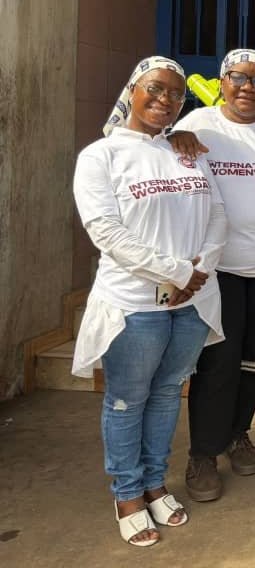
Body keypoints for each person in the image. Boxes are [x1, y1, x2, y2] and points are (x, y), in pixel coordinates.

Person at [73, 57, 226, 547]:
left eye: (176, 93)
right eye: (156, 88)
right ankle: (127, 493)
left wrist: (201, 269)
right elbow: (106, 231)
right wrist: (178, 272)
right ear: (132, 91)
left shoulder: (188, 151)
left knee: (167, 394)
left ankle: (155, 483)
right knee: (126, 400)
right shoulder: (101, 156)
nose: (165, 99)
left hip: (191, 303)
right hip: (134, 304)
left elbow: (218, 213)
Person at [174, 49, 255, 503]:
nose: (248, 87)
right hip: (218, 269)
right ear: (222, 81)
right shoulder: (197, 125)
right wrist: (175, 139)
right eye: (237, 77)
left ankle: (238, 433)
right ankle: (203, 453)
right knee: (218, 361)